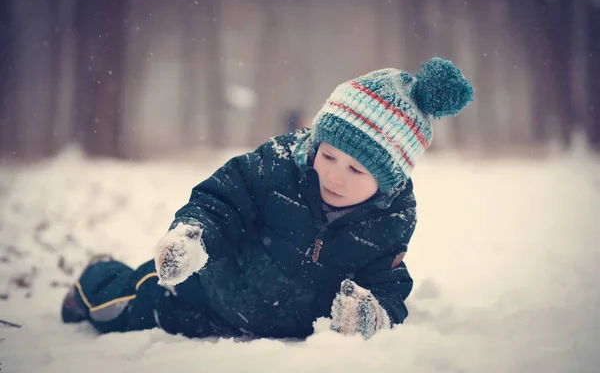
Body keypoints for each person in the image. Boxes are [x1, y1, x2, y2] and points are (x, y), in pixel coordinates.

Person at [61, 57, 474, 340]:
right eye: (328, 155)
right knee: (116, 304)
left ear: (386, 182)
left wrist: (372, 315)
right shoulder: (275, 167)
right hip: (201, 297)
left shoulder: (388, 222)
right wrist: (193, 238)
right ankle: (91, 281)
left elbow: (387, 282)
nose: (333, 174)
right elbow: (219, 203)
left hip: (291, 325)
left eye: (356, 170)